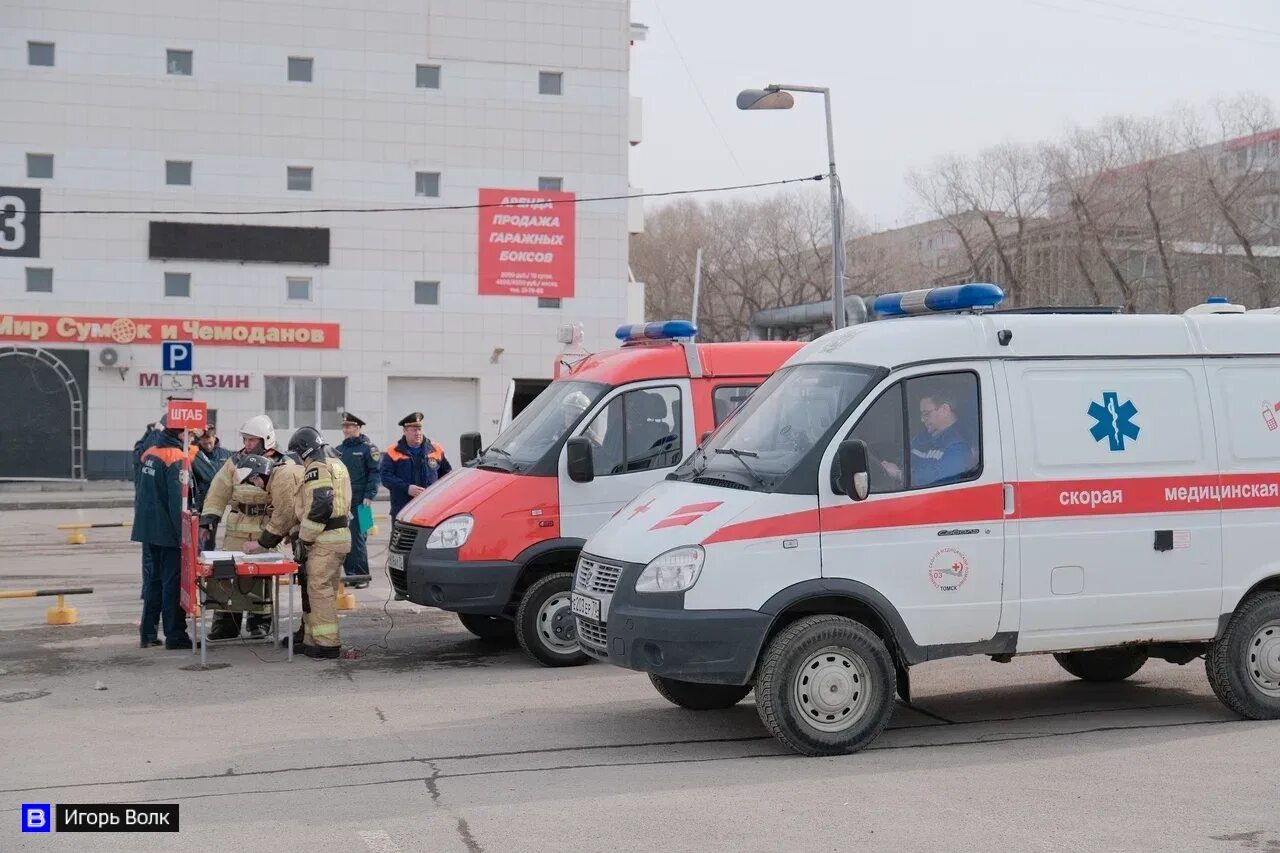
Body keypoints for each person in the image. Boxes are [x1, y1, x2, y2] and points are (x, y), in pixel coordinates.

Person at [248, 426, 351, 659]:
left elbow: (321, 505)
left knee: (319, 590)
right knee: (320, 590)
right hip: (338, 537)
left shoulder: (316, 468)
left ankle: (326, 644)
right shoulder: (338, 465)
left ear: (304, 451)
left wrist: (304, 539)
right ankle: (311, 638)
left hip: (323, 540)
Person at [198, 415, 301, 640]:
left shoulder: (282, 464)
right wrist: (209, 519)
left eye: (252, 440)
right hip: (237, 526)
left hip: (266, 527)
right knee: (225, 572)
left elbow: (288, 500)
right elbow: (218, 491)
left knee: (260, 576)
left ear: (266, 440)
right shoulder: (234, 462)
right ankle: (225, 623)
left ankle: (260, 622)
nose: (247, 444)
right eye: (245, 439)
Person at [131, 419, 197, 650]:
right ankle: (175, 634)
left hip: (148, 529)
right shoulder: (176, 458)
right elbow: (176, 502)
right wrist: (184, 540)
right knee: (172, 583)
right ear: (181, 434)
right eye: (190, 435)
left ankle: (148, 633)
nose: (192, 439)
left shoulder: (150, 452)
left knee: (154, 582)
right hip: (167, 533)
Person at [881, 389, 976, 489]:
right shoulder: (924, 436)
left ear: (944, 409)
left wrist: (898, 474)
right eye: (921, 414)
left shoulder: (960, 444)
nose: (922, 419)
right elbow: (905, 460)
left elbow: (937, 480)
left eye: (926, 413)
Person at [380, 412, 451, 519]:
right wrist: (407, 488)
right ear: (404, 431)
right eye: (414, 430)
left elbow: (447, 475)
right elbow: (385, 477)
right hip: (403, 508)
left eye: (419, 429)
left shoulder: (436, 449)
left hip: (430, 507)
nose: (418, 433)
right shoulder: (393, 451)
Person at [336, 412, 379, 587]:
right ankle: (351, 575)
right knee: (346, 538)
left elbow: (375, 473)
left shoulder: (369, 448)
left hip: (363, 502)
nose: (346, 430)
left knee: (360, 539)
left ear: (358, 428)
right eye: (344, 427)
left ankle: (362, 576)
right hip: (345, 500)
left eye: (349, 426)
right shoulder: (340, 450)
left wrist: (370, 494)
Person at [192, 423, 232, 512]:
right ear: (199, 441)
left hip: (221, 502)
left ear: (215, 438)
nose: (208, 446)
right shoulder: (194, 455)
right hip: (200, 502)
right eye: (205, 444)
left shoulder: (227, 454)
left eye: (210, 442)